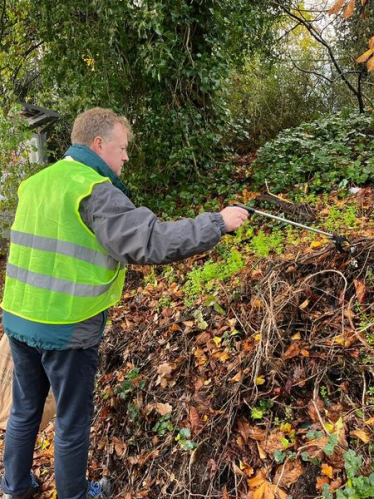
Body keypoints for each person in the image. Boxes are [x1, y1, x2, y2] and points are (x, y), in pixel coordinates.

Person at [0, 108, 248, 499]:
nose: (126, 157)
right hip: (67, 325)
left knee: (26, 409)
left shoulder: (36, 183)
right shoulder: (92, 188)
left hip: (18, 318)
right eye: (122, 148)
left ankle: (15, 488)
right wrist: (217, 222)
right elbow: (150, 242)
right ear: (99, 144)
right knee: (71, 421)